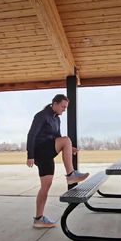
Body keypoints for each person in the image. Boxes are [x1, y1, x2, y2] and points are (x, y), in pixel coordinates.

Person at [26, 94, 89, 229]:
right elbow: (31, 135)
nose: (64, 110)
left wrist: (67, 147)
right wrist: (30, 155)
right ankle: (71, 175)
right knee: (66, 139)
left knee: (45, 187)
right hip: (40, 151)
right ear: (54, 103)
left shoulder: (57, 120)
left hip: (46, 156)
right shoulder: (41, 115)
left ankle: (38, 219)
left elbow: (57, 137)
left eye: (66, 107)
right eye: (63, 106)